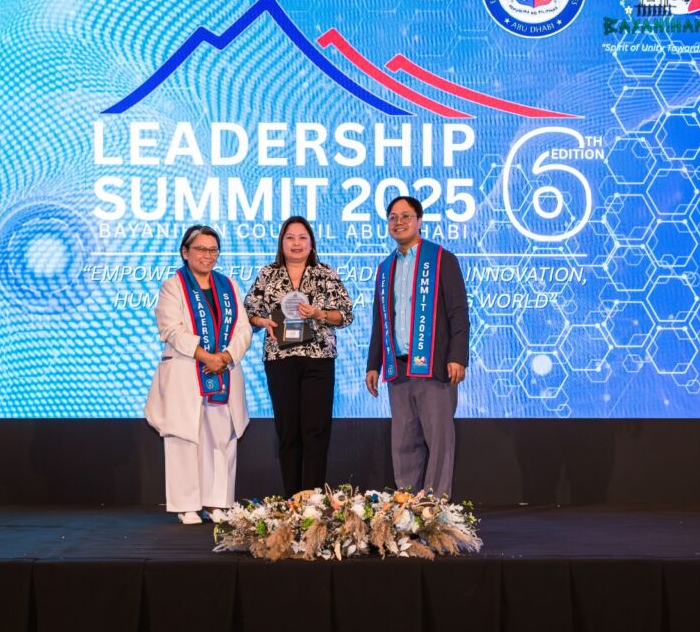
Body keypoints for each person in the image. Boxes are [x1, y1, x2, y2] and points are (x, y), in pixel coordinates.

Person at [145, 225, 253, 524]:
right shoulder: (173, 286)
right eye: (201, 249)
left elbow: (244, 329)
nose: (208, 255)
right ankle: (186, 504)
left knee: (221, 436)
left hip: (223, 373)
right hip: (186, 370)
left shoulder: (229, 285)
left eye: (213, 250)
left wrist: (225, 357)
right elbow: (171, 329)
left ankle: (217, 502)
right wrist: (207, 357)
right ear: (185, 252)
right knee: (184, 435)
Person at [366, 196, 470, 498]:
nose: (398, 222)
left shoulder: (442, 259)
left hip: (434, 367)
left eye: (405, 216)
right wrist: (373, 364)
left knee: (439, 441)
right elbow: (380, 319)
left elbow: (458, 312)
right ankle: (408, 508)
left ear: (419, 221)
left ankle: (436, 509)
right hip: (398, 368)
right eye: (393, 217)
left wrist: (458, 356)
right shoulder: (385, 268)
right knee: (403, 444)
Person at [244, 216, 354, 497]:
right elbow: (249, 312)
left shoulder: (325, 273)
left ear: (311, 243)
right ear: (281, 242)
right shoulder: (268, 274)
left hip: (318, 359)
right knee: (288, 432)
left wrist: (319, 314)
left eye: (302, 237)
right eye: (290, 237)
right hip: (280, 360)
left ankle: (313, 501)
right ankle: (292, 501)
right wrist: (262, 321)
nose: (296, 243)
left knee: (315, 432)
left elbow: (345, 315)